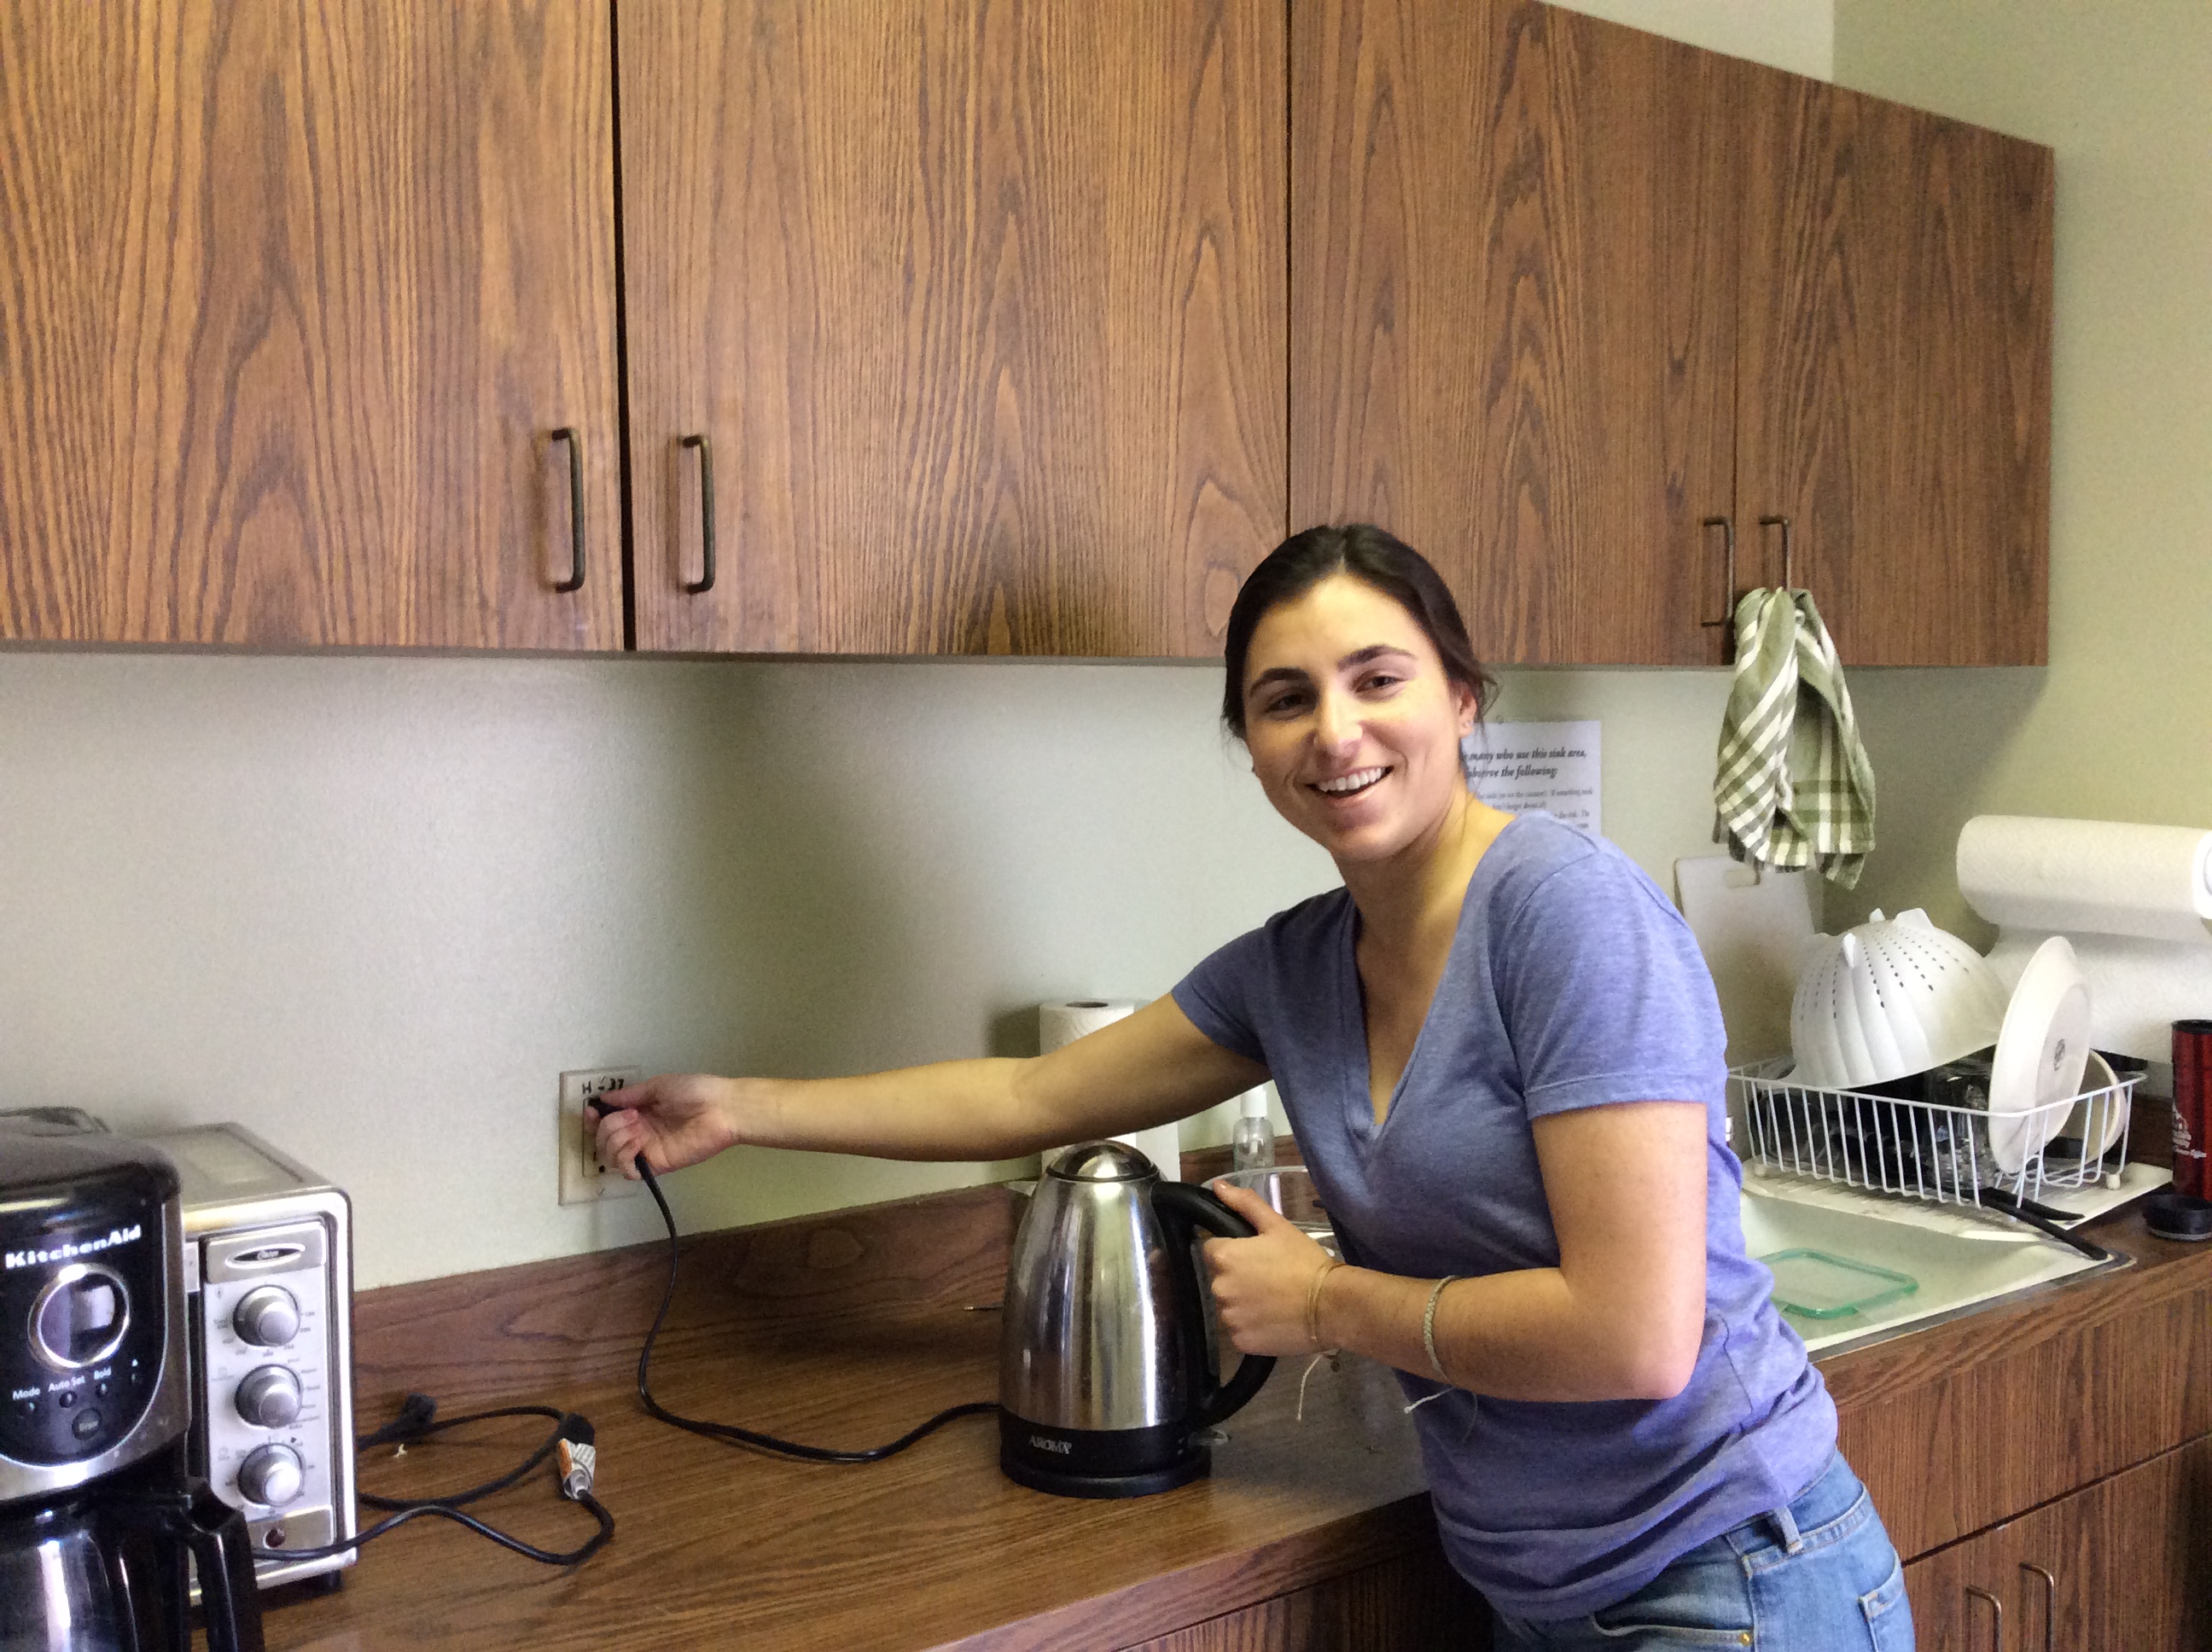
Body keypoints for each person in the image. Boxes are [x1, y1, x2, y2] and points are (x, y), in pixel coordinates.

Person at [594, 524, 1913, 1649]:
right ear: (1252, 741)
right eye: (1285, 700)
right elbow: (1024, 1099)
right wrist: (741, 1107)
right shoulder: (1295, 968)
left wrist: (1329, 1302)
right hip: (1542, 1588)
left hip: (1736, 1575)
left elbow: (1635, 1333)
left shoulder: (1566, 915)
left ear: (1462, 697)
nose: (1334, 732)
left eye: (1376, 678)